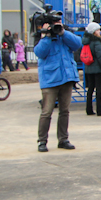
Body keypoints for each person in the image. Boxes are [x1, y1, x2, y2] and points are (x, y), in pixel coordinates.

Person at [35, 20, 82, 152]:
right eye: (55, 22)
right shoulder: (44, 35)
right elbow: (39, 53)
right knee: (46, 112)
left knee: (65, 111)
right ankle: (42, 141)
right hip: (50, 79)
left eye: (59, 22)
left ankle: (63, 139)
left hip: (66, 77)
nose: (57, 24)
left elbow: (77, 44)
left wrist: (63, 32)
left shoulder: (65, 33)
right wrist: (46, 36)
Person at [82, 22, 101, 116]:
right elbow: (99, 56)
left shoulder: (86, 41)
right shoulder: (96, 41)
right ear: (94, 32)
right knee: (98, 90)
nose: (99, 31)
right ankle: (99, 110)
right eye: (98, 30)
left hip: (88, 67)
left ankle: (89, 109)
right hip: (97, 68)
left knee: (90, 89)